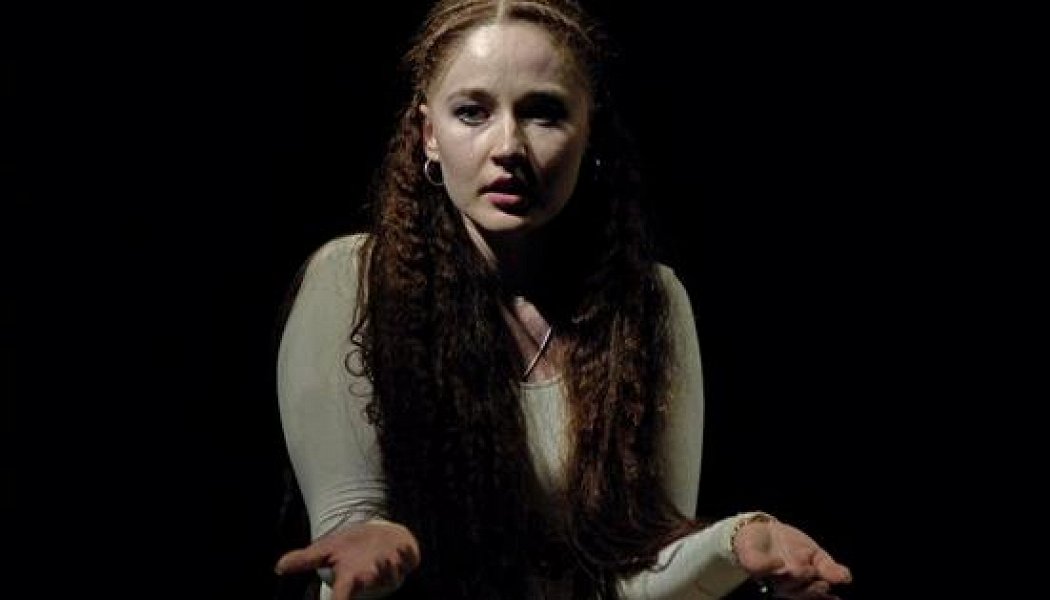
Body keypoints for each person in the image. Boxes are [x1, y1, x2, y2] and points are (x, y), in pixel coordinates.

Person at [273, 1, 853, 598]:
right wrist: (371, 536)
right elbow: (348, 524)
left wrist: (735, 542)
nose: (508, 146)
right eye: (472, 112)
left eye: (543, 113)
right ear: (429, 135)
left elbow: (640, 564)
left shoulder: (649, 302)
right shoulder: (353, 280)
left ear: (590, 132)